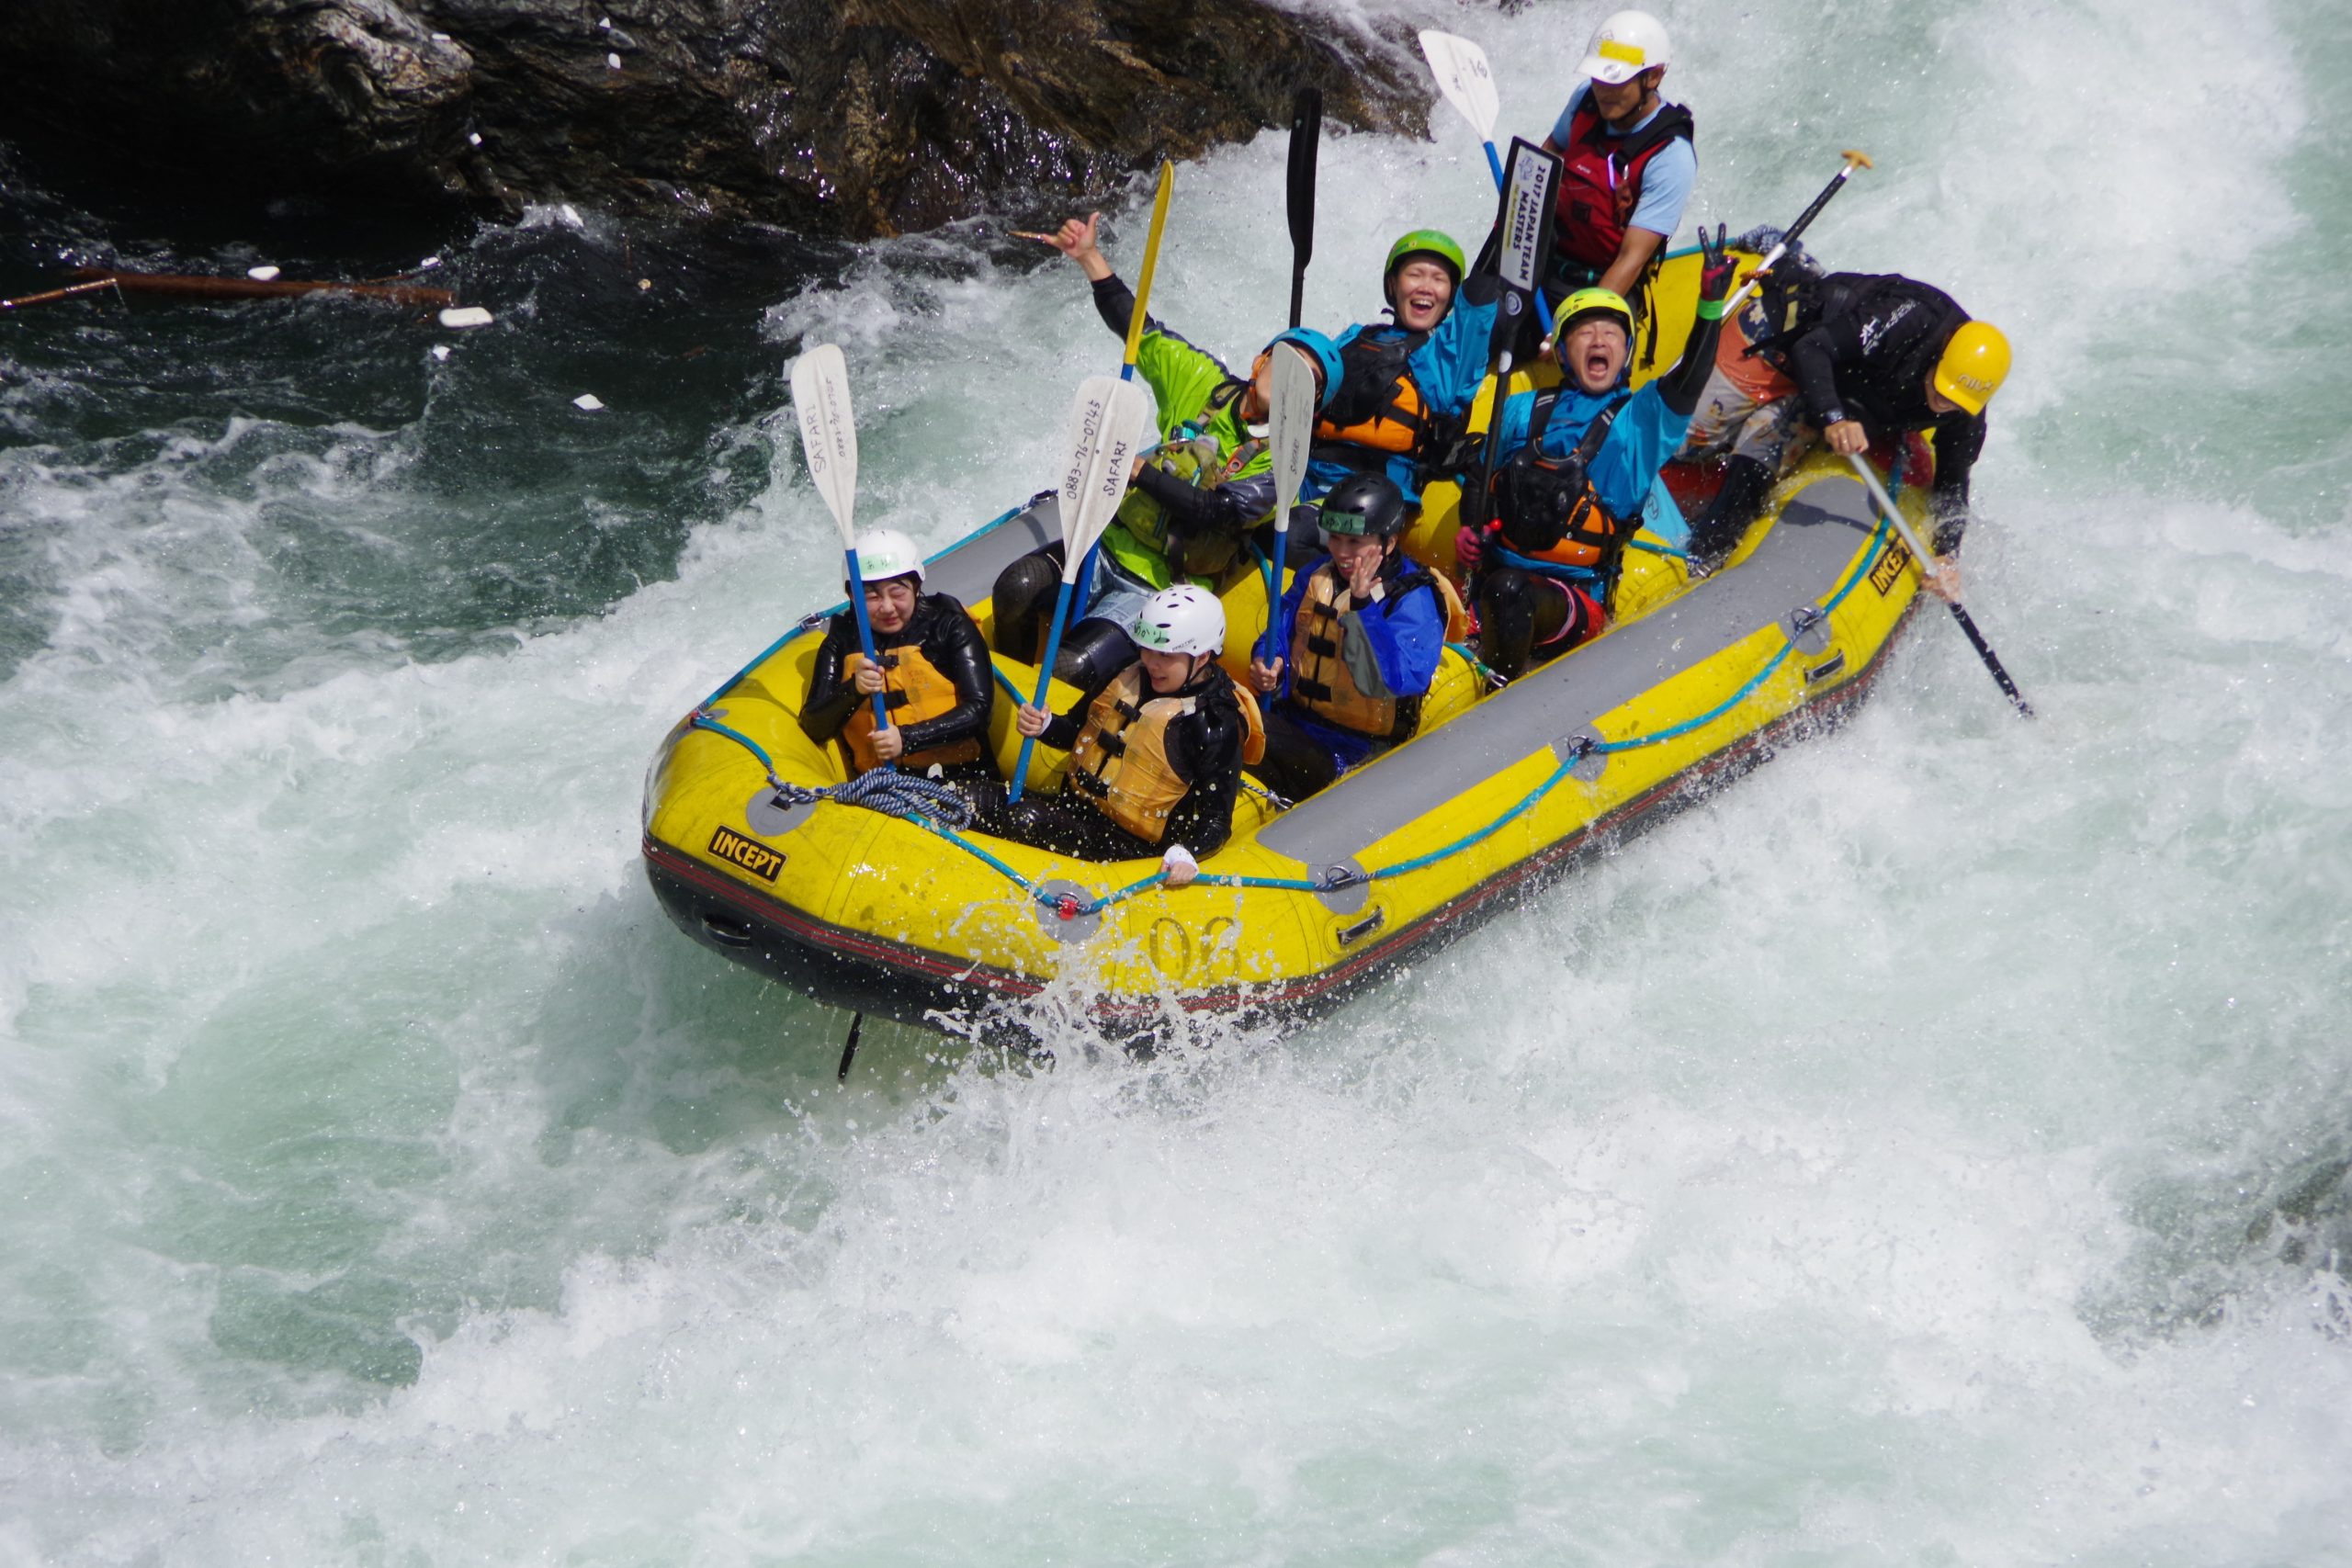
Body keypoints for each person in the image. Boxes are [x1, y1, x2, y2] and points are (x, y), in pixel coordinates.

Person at [1003, 212, 1340, 685]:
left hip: (1161, 589)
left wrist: (1137, 471)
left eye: (1304, 383)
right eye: (1283, 363)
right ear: (1261, 360)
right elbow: (1141, 331)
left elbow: (1214, 511)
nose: (1286, 380)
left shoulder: (1280, 469)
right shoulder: (1204, 381)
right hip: (1104, 542)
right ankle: (1005, 696)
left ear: (1311, 407)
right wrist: (1089, 257)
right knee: (1016, 587)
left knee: (1071, 667)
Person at [1457, 227, 1736, 681]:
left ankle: (1497, 698)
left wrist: (1709, 306)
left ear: (1626, 352)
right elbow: (1480, 473)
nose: (1600, 340)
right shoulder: (1522, 407)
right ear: (1563, 352)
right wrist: (1468, 528)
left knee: (1509, 592)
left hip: (1574, 599)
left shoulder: (1640, 419)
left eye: (1611, 332)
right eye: (1585, 333)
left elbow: (1689, 379)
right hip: (1493, 578)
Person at [1680, 271, 2012, 592]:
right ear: (1939, 357)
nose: (1943, 405)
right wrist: (1835, 418)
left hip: (1831, 389)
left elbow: (1953, 482)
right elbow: (1811, 347)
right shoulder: (1906, 323)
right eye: (1940, 391)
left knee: (1763, 451)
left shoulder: (1966, 402)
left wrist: (1947, 555)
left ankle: (1706, 554)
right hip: (1786, 342)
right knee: (1687, 445)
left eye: (1953, 401)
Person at [974, 585, 1264, 879]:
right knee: (976, 797)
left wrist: (1187, 853)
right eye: (1147, 650)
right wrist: (1046, 726)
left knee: (1023, 820)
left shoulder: (1214, 723)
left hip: (1129, 848)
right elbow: (1076, 732)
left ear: (1201, 658)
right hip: (1075, 808)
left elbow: (1216, 821)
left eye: (1164, 655)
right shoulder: (1130, 673)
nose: (1151, 662)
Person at [1248, 472, 1467, 801]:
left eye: (1355, 542)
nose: (1341, 552)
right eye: (1335, 538)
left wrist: (1363, 607)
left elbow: (1391, 681)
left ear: (1389, 543)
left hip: (1355, 750)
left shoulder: (1415, 598)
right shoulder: (1318, 574)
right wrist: (1269, 659)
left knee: (1250, 732)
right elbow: (1282, 628)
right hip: (1295, 719)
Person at [1307, 229, 1500, 504]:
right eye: (1415, 274)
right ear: (1392, 285)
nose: (1425, 286)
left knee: (1300, 531)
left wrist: (1506, 227)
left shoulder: (1449, 358)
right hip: (1309, 473)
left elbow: (1479, 301)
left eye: (1438, 279)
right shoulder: (1356, 336)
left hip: (1378, 495)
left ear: (1452, 294)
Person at [800, 528, 997, 779]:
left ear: (916, 586)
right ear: (852, 596)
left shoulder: (948, 626)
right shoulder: (840, 643)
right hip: (883, 789)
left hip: (962, 778)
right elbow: (814, 726)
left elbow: (980, 711)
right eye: (871, 595)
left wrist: (907, 738)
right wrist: (854, 689)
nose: (887, 607)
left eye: (897, 592)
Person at [1540, 9, 1696, 303]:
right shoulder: (1585, 97)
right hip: (1543, 264)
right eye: (1598, 78)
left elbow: (1631, 260)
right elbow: (1549, 154)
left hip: (1604, 283)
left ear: (1654, 76)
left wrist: (1586, 316)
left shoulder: (1671, 156)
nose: (1603, 91)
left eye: (1615, 81)